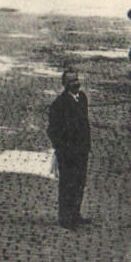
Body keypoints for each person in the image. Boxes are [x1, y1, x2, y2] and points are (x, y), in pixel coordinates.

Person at [47, 67, 91, 229]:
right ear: (65, 84)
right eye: (72, 81)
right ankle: (65, 216)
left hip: (82, 149)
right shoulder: (59, 104)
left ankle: (75, 213)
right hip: (68, 151)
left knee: (80, 182)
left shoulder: (83, 98)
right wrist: (61, 148)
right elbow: (53, 130)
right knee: (67, 183)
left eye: (77, 79)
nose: (76, 83)